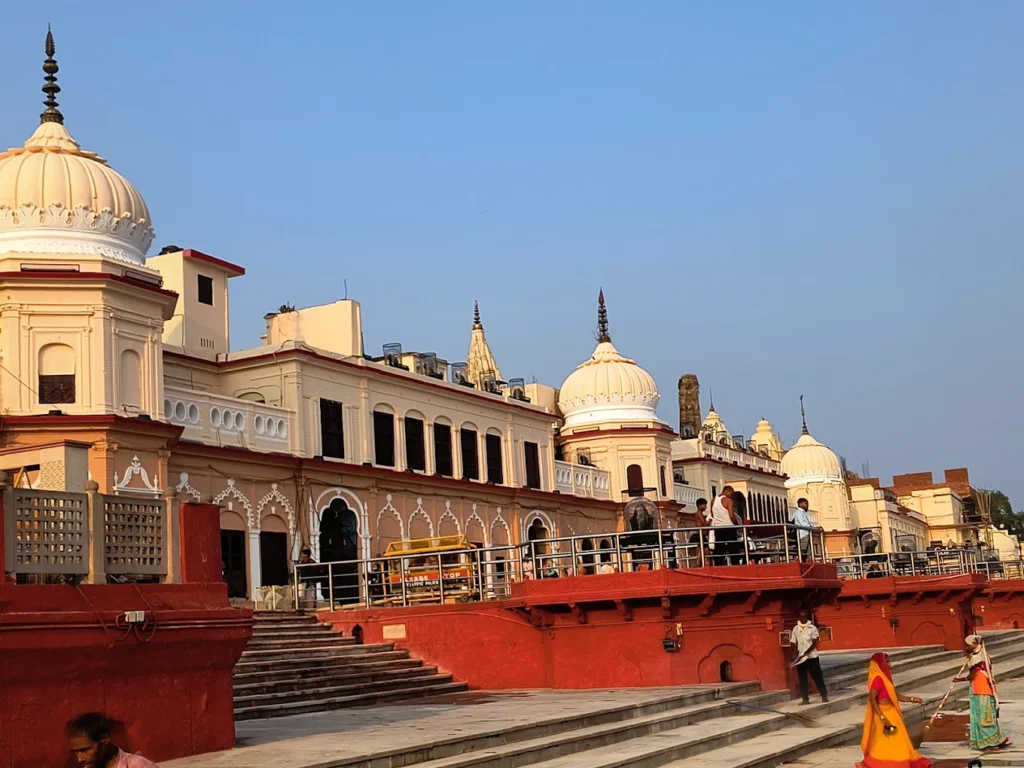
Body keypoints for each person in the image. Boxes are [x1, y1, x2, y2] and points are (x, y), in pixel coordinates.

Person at [857, 653, 930, 768]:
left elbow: (894, 695)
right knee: (893, 741)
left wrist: (911, 699)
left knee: (894, 742)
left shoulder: (885, 677)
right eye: (887, 661)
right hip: (885, 716)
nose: (889, 664)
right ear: (880, 664)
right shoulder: (878, 679)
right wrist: (882, 717)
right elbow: (872, 699)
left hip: (892, 714)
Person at [956, 634, 1010, 752]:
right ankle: (997, 739)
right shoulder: (985, 656)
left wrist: (959, 679)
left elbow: (972, 675)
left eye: (969, 645)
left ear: (975, 645)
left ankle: (989, 743)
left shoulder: (976, 658)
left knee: (983, 717)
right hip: (987, 688)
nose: (967, 648)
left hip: (980, 690)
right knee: (989, 714)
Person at [67, 713, 157, 767]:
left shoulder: (137, 765)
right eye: (76, 752)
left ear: (105, 739)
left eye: (85, 750)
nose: (80, 759)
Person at [790, 608, 828, 705]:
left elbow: (814, 643)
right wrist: (795, 654)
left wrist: (806, 652)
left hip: (812, 656)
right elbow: (793, 642)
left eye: (804, 616)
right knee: (802, 678)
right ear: (799, 617)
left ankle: (824, 695)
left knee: (817, 676)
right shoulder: (796, 629)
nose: (803, 618)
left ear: (807, 616)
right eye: (801, 616)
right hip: (801, 658)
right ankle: (805, 699)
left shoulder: (812, 628)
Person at [710, 486, 743, 565]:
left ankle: (718, 566)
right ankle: (735, 566)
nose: (731, 496)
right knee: (733, 549)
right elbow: (732, 516)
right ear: (727, 491)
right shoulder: (728, 501)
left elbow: (712, 514)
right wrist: (738, 525)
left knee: (719, 549)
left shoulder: (713, 500)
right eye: (731, 494)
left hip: (718, 528)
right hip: (729, 527)